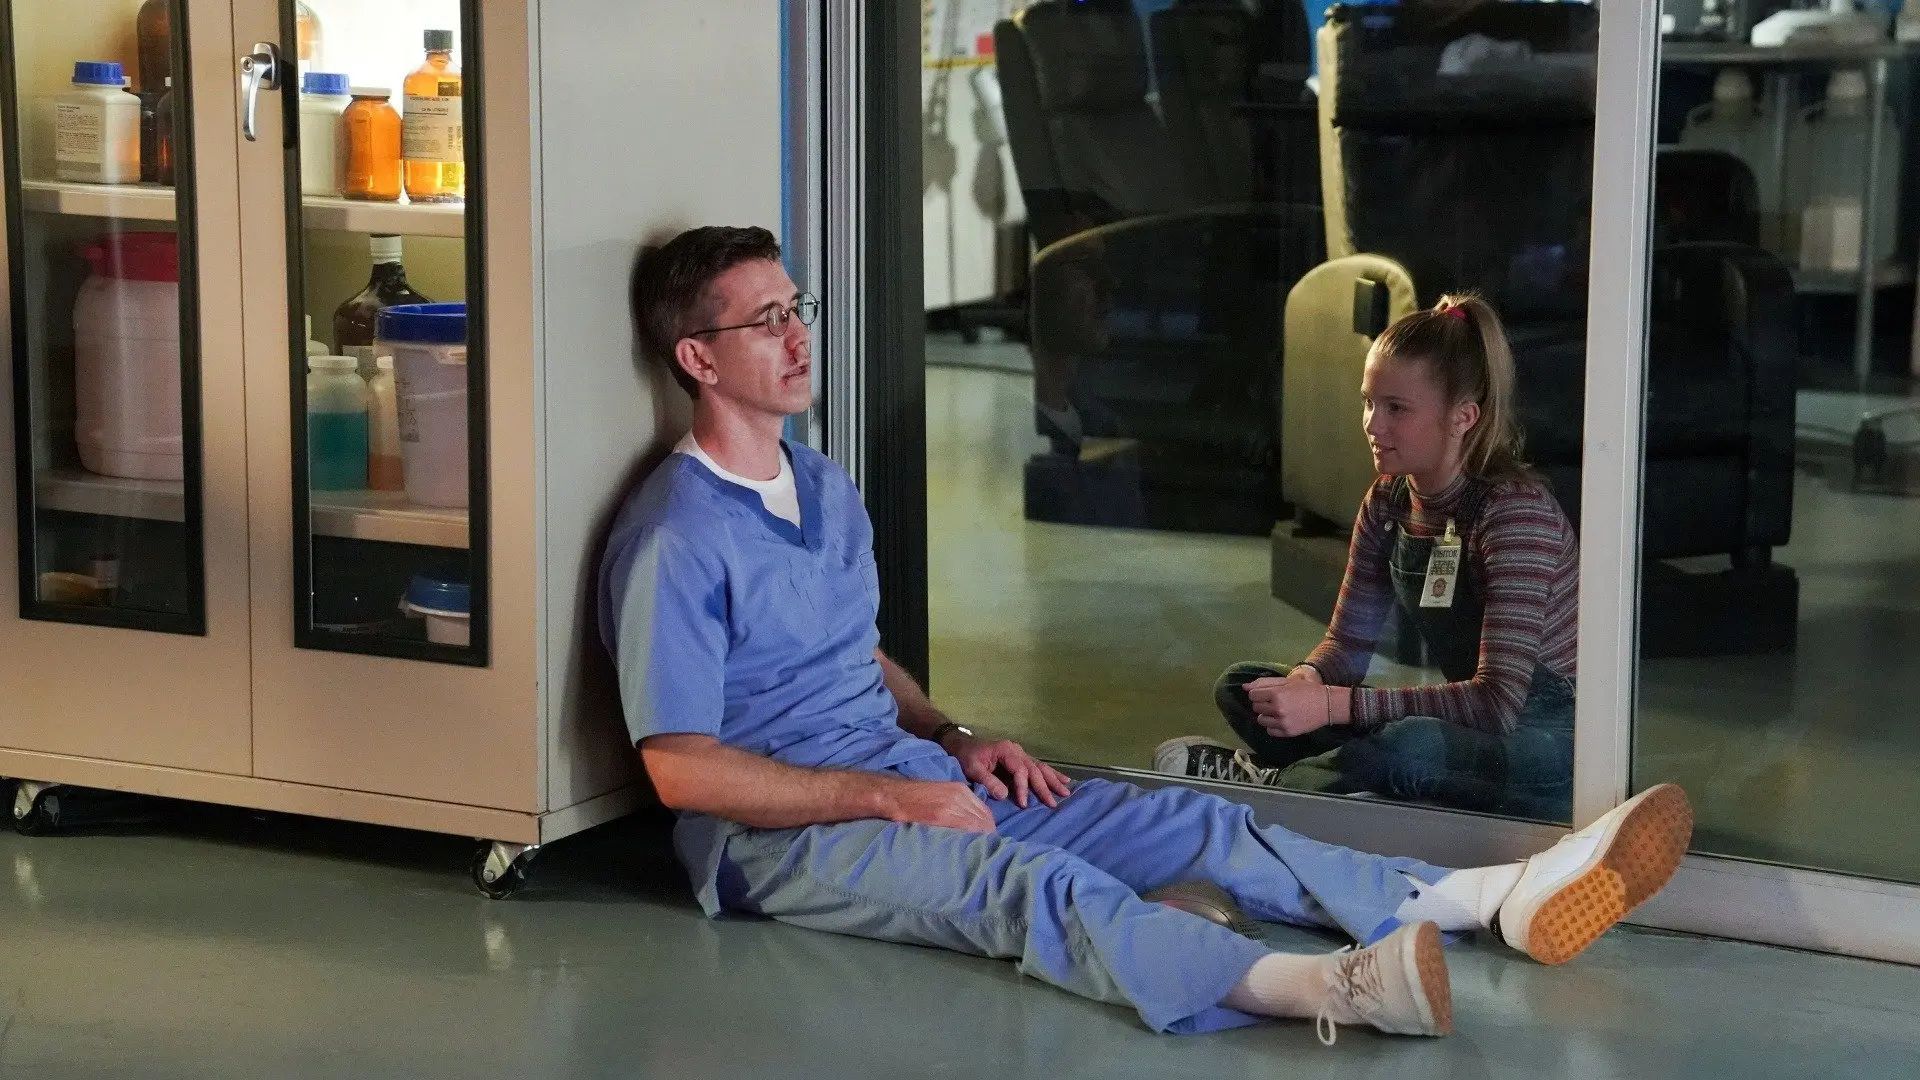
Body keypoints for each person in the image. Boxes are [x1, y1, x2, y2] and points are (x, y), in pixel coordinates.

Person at [602, 227, 1691, 1044]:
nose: (798, 336)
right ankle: (1324, 989)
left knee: (1181, 822)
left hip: (899, 769)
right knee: (1034, 888)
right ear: (699, 359)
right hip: (780, 840)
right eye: (765, 321)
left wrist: (951, 735)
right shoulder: (675, 535)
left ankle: (1486, 897)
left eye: (797, 307)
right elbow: (680, 770)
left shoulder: (822, 486)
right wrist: (890, 798)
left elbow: (854, 653)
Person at [1156, 295, 1580, 821]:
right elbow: (1347, 646)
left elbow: (1496, 704)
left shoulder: (1514, 514)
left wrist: (1331, 707)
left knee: (1411, 746)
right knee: (1245, 687)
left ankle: (1274, 786)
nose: (1373, 426)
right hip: (1464, 719)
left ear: (1463, 417)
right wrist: (1308, 679)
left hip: (1542, 744)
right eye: (1368, 402)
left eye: (1396, 408)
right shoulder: (1388, 500)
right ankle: (1351, 783)